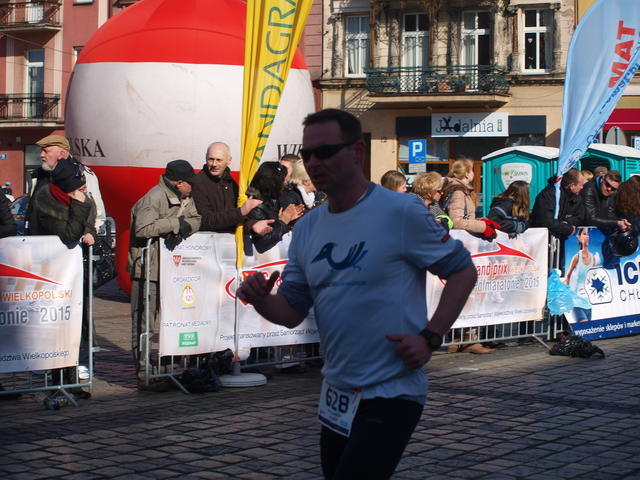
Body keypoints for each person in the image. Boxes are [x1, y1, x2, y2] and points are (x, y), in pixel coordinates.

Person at [236, 109, 477, 480]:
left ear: (356, 152)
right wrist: (261, 299)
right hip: (337, 392)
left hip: (392, 389)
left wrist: (431, 336)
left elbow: (462, 271)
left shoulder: (401, 211)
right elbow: (292, 311)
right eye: (308, 154)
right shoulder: (307, 227)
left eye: (326, 151)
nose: (315, 162)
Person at [127, 160, 201, 390]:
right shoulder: (153, 198)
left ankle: (169, 369)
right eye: (189, 183)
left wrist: (183, 228)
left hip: (172, 271)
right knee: (144, 324)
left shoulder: (186, 197)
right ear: (179, 183)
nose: (192, 187)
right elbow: (142, 228)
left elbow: (196, 219)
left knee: (173, 321)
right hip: (148, 270)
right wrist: (174, 224)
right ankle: (144, 372)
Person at [26, 134, 106, 235]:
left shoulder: (81, 173)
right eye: (41, 151)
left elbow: (95, 208)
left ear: (62, 154)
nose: (41, 155)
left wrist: (90, 233)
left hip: (69, 240)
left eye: (46, 151)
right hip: (38, 238)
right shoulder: (39, 174)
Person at [191, 141, 272, 235]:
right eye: (210, 159)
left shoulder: (230, 183)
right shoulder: (198, 183)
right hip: (207, 240)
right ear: (205, 158)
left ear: (229, 160)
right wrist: (241, 212)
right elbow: (204, 221)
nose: (214, 164)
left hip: (228, 240)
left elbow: (235, 214)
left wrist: (252, 224)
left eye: (219, 160)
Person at [245, 162, 304, 253]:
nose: (285, 183)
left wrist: (288, 221)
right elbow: (262, 245)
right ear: (274, 182)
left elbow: (275, 227)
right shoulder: (255, 204)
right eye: (283, 180)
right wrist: (283, 221)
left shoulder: (274, 198)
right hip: (258, 258)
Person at [441, 159, 498, 241]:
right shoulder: (458, 192)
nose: (473, 173)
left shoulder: (461, 190)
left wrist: (481, 221)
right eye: (472, 170)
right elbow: (457, 222)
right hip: (460, 240)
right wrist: (483, 226)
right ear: (467, 174)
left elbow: (465, 217)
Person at [531, 168, 586, 240]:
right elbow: (545, 221)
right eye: (580, 185)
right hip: (544, 239)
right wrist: (566, 229)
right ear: (572, 185)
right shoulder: (548, 195)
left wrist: (568, 222)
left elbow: (580, 216)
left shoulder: (575, 196)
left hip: (563, 238)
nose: (582, 187)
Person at [564, 228, 599, 322]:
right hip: (576, 303)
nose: (587, 236)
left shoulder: (593, 258)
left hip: (588, 304)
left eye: (587, 234)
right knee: (583, 327)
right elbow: (567, 276)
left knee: (587, 330)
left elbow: (591, 279)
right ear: (579, 237)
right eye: (584, 234)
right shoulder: (576, 257)